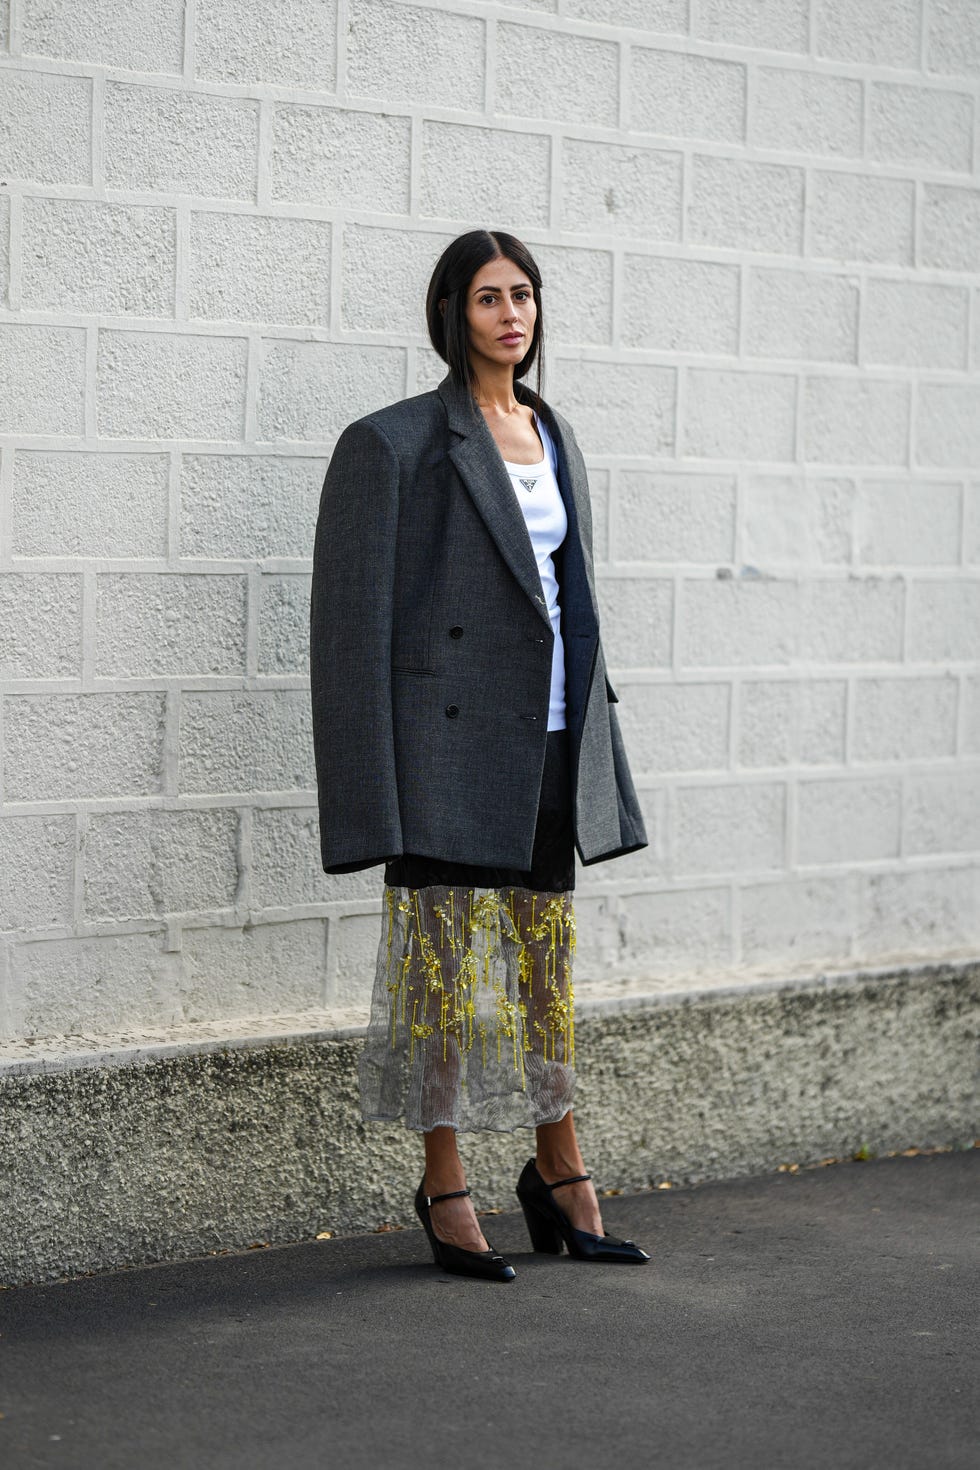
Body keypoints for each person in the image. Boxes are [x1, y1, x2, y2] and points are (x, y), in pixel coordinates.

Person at [310, 229, 649, 1280]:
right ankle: (442, 1180)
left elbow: (570, 603)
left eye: (525, 297)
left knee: (546, 972)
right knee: (440, 982)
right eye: (490, 298)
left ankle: (558, 1169)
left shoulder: (553, 430)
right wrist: (372, 797)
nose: (512, 315)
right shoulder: (395, 442)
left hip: (550, 740)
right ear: (451, 312)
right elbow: (347, 632)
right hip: (445, 753)